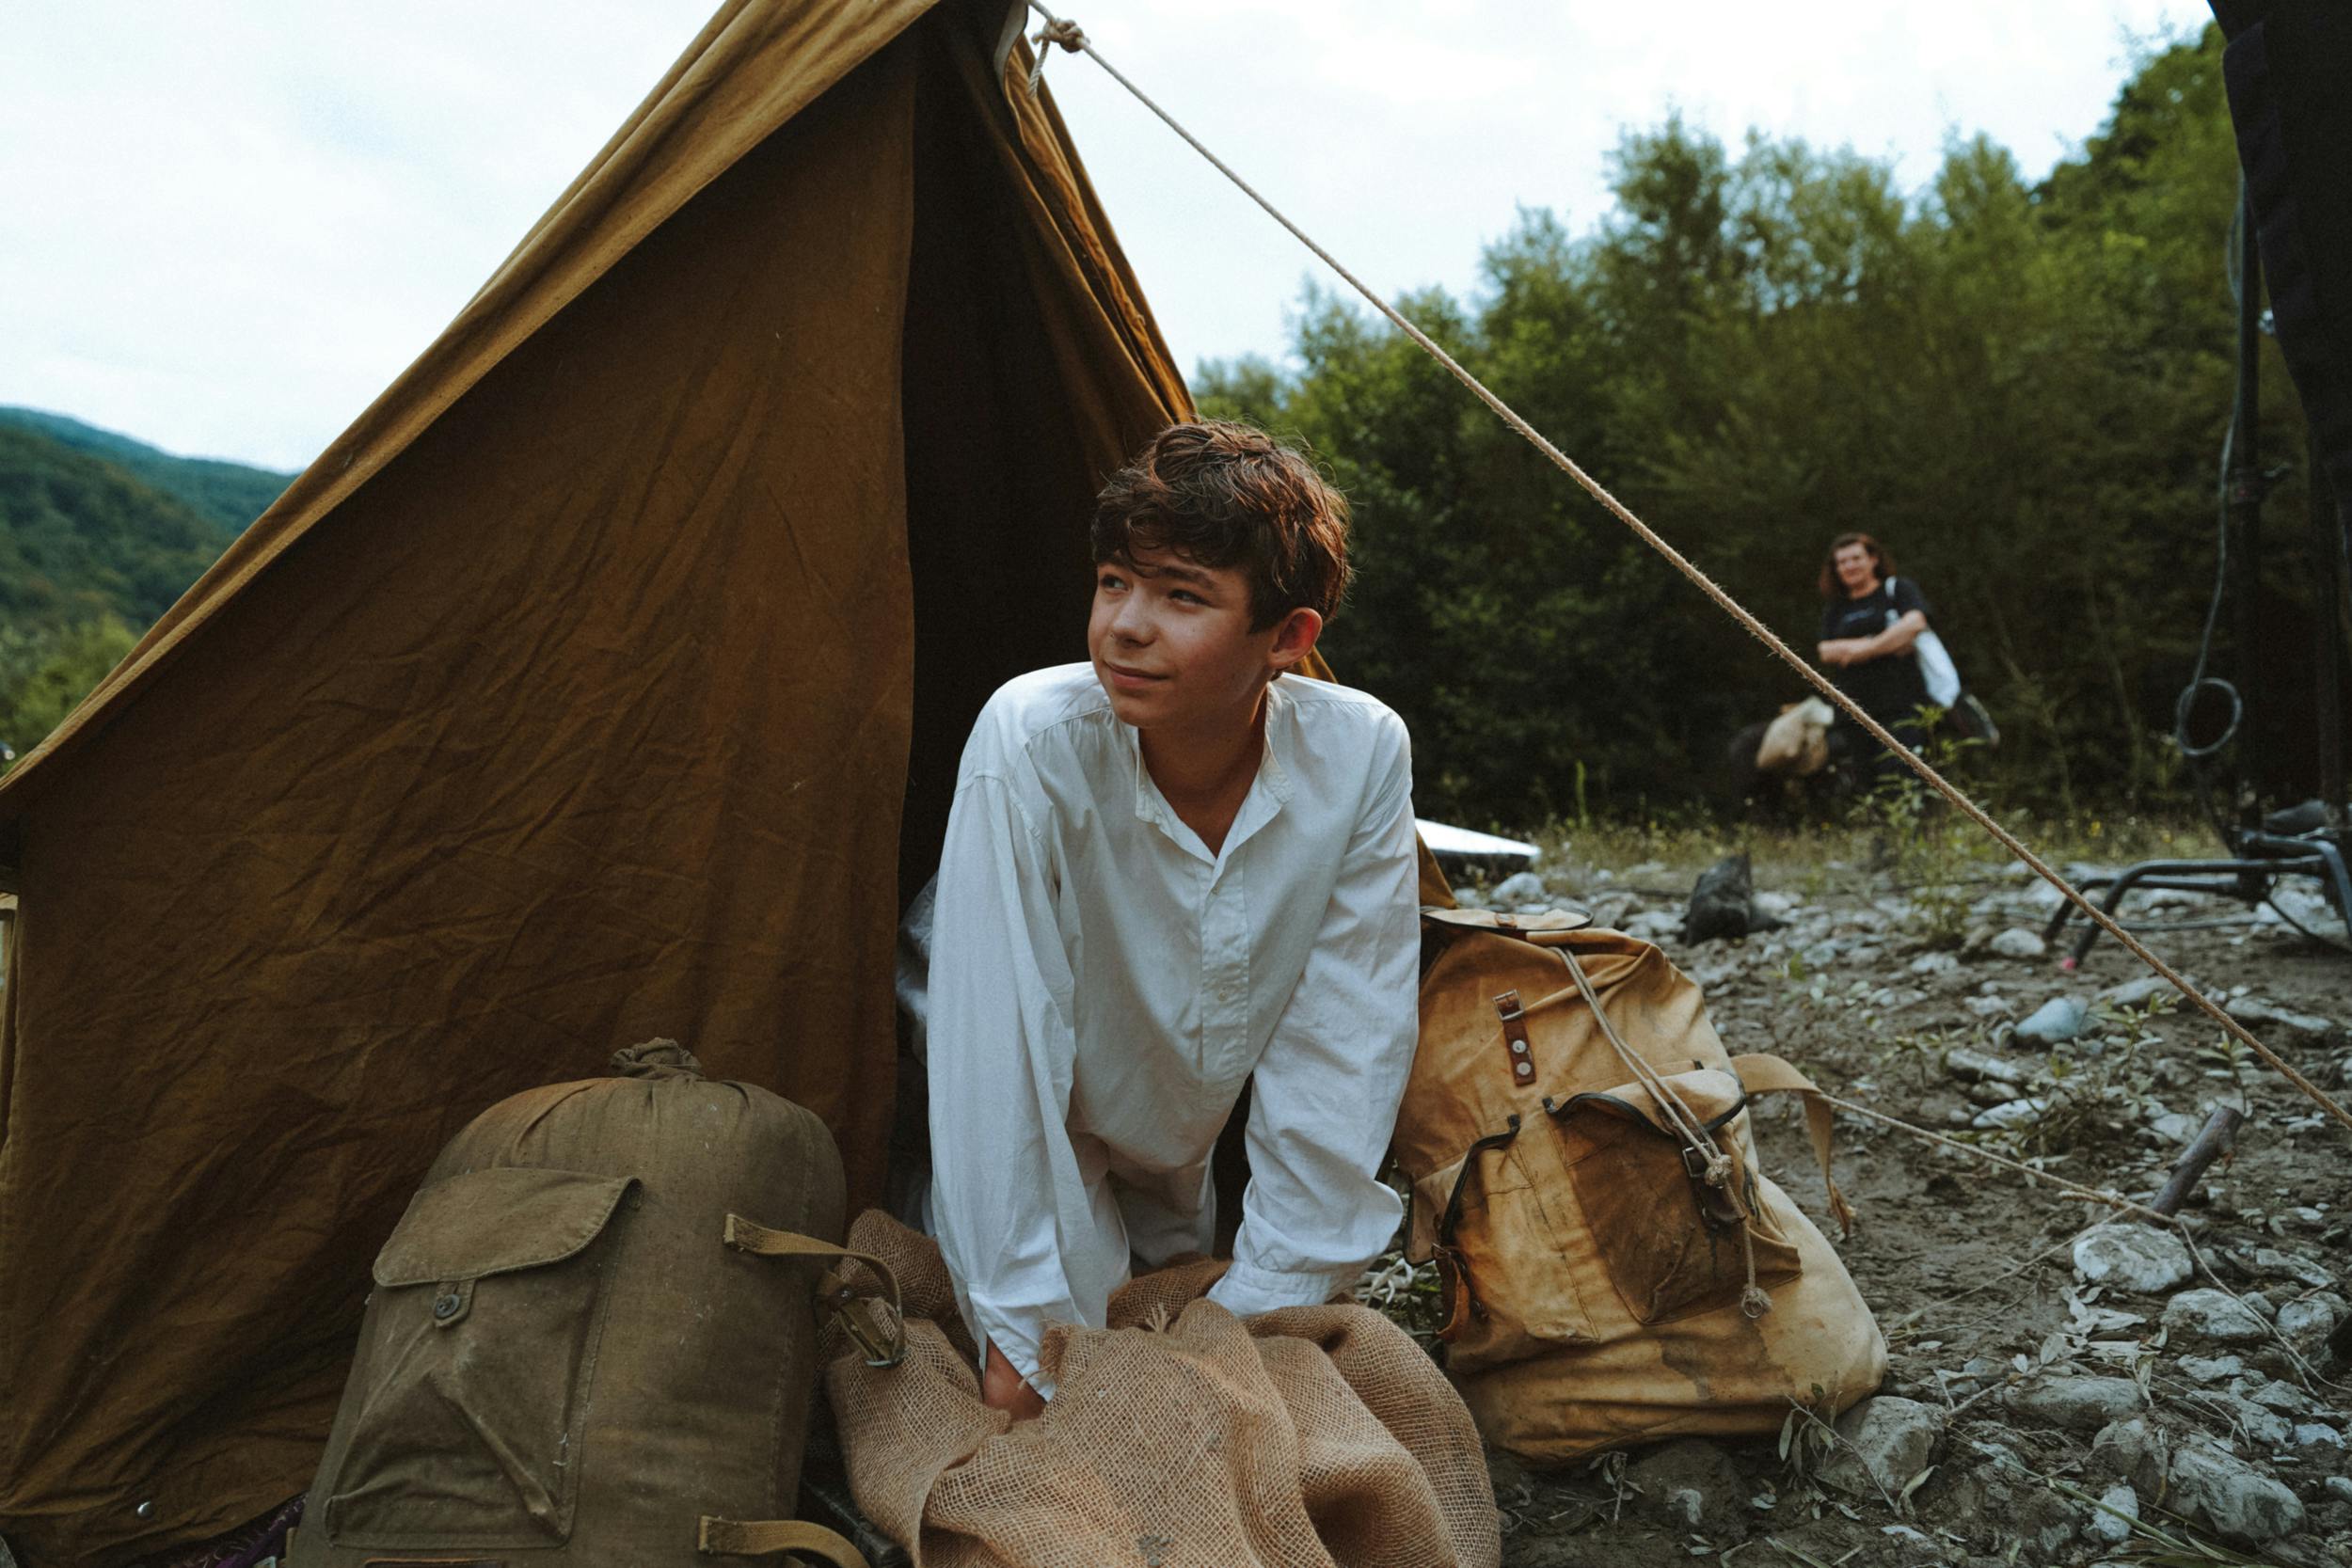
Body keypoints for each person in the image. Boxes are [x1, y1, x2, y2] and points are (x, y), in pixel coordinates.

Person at [920, 420, 1421, 1421]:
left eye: (1181, 594)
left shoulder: (1358, 752)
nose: (1123, 625)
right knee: (1044, 1384)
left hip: (1176, 1132)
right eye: (1114, 581)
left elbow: (1344, 1041)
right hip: (993, 1113)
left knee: (1234, 1380)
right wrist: (1024, 1331)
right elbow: (996, 1056)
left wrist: (1261, 1311)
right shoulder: (1031, 740)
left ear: (1287, 639)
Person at [1815, 531, 1935, 780]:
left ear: (1873, 559)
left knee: (1902, 777)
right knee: (1865, 782)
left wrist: (1863, 649)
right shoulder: (1836, 608)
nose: (1849, 566)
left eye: (1855, 558)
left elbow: (1914, 623)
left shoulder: (1897, 590)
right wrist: (1888, 643)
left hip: (1902, 704)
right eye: (1842, 562)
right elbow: (1826, 651)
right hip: (1854, 709)